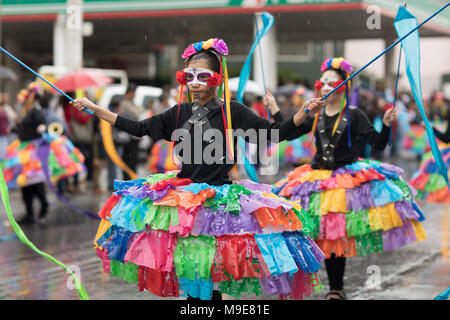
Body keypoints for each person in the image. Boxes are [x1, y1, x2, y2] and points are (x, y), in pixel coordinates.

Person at [72, 38, 327, 301]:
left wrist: (302, 114)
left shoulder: (232, 112)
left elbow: (272, 134)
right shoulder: (178, 112)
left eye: (203, 75)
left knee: (212, 274)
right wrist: (95, 109)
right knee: (193, 271)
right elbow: (140, 128)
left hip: (219, 201)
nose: (194, 82)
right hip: (184, 203)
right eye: (190, 75)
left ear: (216, 78)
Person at [273, 57, 427, 300]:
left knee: (334, 237)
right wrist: (274, 109)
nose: (325, 87)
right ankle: (313, 284)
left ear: (342, 85)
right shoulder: (316, 114)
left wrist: (386, 125)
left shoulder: (354, 115)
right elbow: (287, 130)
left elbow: (378, 142)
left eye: (331, 82)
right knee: (311, 233)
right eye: (322, 82)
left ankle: (336, 289)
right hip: (316, 179)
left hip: (344, 181)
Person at [117, 83, 144, 180]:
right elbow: (137, 112)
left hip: (134, 136)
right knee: (129, 159)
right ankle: (128, 178)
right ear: (129, 93)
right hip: (128, 137)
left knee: (133, 159)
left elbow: (139, 111)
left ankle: (131, 177)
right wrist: (138, 111)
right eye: (134, 93)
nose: (135, 95)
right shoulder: (125, 103)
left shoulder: (131, 103)